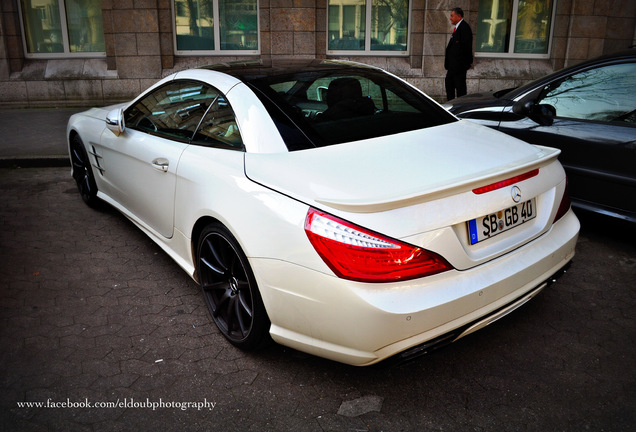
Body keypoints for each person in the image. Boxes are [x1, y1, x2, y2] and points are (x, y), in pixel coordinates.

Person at [444, 7, 473, 101]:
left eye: (452, 16)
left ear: (459, 16)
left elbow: (467, 49)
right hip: (453, 67)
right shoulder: (458, 28)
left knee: (460, 91)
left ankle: (460, 108)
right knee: (449, 86)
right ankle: (450, 108)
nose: (450, 18)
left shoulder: (464, 28)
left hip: (459, 68)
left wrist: (464, 65)